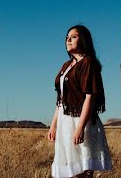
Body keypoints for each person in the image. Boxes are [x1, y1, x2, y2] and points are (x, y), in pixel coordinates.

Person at [48, 25, 113, 178]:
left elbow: (90, 97)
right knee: (71, 170)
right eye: (67, 37)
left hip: (81, 120)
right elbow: (61, 99)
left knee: (83, 170)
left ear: (83, 40)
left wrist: (80, 127)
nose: (68, 40)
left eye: (74, 36)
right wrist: (54, 125)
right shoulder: (66, 66)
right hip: (65, 121)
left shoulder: (87, 62)